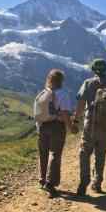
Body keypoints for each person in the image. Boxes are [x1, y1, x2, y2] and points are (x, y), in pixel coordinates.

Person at [73, 59, 106, 196]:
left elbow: (81, 104)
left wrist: (76, 120)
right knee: (101, 155)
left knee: (84, 153)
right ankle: (97, 183)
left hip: (91, 126)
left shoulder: (88, 83)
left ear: (93, 69)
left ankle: (84, 182)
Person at [34, 69, 78, 198]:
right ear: (61, 81)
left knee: (43, 153)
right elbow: (65, 113)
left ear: (49, 79)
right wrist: (71, 127)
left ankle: (42, 179)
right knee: (55, 153)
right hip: (56, 127)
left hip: (42, 126)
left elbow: (38, 112)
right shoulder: (63, 94)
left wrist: (39, 127)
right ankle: (50, 183)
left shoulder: (43, 93)